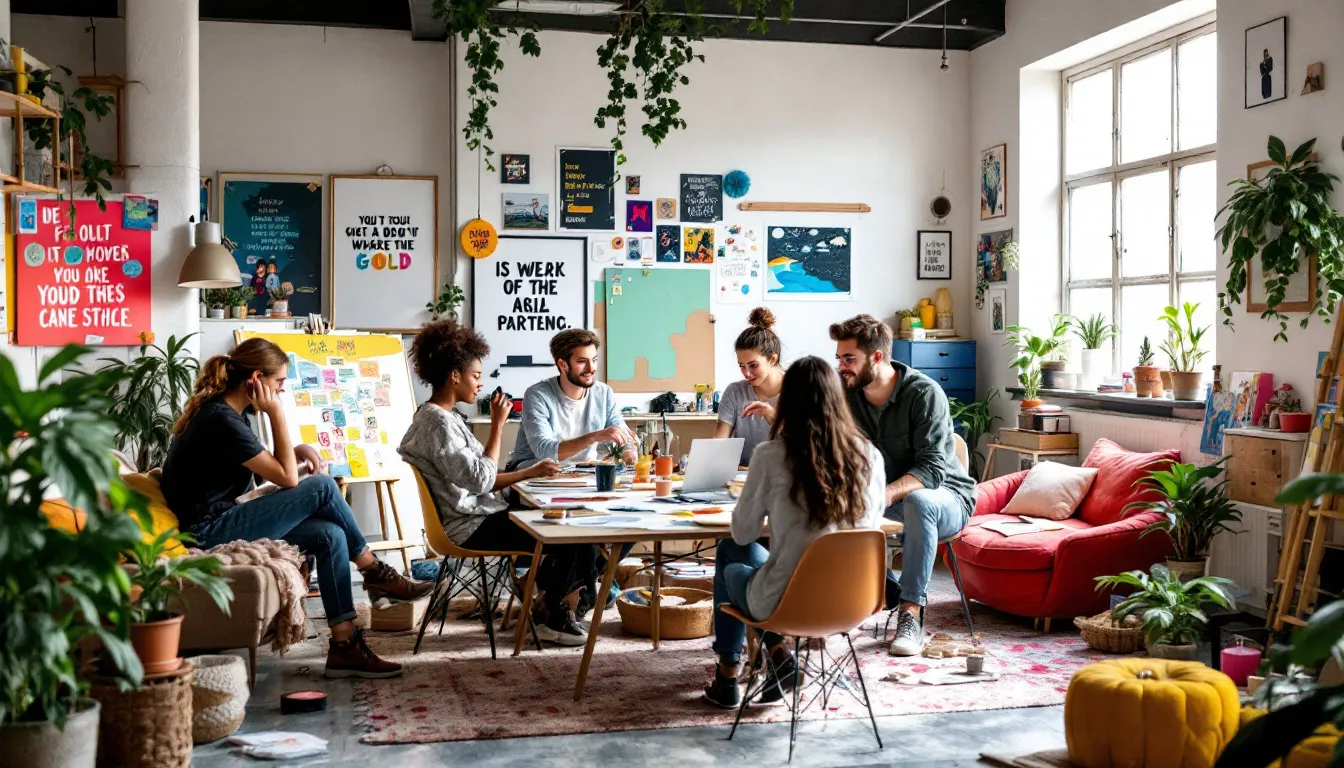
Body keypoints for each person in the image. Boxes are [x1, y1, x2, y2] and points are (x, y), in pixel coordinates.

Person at [161, 338, 432, 679]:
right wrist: (276, 413)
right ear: (256, 379)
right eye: (279, 384)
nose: (282, 391)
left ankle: (345, 644)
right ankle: (375, 572)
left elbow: (271, 476)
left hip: (221, 520)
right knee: (321, 486)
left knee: (331, 535)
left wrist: (297, 449)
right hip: (208, 532)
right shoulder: (221, 420)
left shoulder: (229, 414)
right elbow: (288, 478)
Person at [398, 320, 598, 646]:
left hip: (476, 514)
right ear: (454, 376)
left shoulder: (440, 417)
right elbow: (480, 480)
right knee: (571, 530)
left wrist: (527, 473)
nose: (480, 383)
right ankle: (551, 612)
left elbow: (481, 478)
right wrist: (497, 427)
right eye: (476, 376)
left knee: (574, 519)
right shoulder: (438, 423)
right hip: (469, 526)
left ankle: (547, 600)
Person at [703, 356, 886, 709]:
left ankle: (729, 674)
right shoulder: (870, 456)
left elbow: (743, 534)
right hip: (857, 601)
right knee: (769, 562)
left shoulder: (772, 455)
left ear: (787, 401)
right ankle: (778, 656)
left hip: (790, 604)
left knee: (730, 553)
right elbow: (871, 524)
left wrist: (761, 502)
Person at [828, 315, 975, 657]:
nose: (841, 366)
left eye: (849, 359)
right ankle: (881, 590)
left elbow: (932, 468)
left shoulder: (924, 394)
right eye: (839, 358)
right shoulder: (847, 393)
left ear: (877, 357)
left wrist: (884, 494)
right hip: (887, 499)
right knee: (827, 500)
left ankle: (911, 614)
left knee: (920, 502)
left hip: (946, 498)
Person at [506, 328, 636, 471]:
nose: (591, 368)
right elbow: (544, 451)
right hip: (535, 474)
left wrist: (628, 451)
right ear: (563, 365)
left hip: (583, 474)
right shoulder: (538, 395)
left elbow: (621, 433)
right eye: (582, 361)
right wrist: (593, 437)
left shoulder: (603, 393)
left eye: (594, 360)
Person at [713, 307, 785, 466]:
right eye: (741, 366)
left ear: (772, 359)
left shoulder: (798, 389)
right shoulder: (735, 392)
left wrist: (773, 415)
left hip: (784, 477)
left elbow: (806, 443)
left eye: (753, 365)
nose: (746, 373)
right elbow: (719, 442)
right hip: (741, 476)